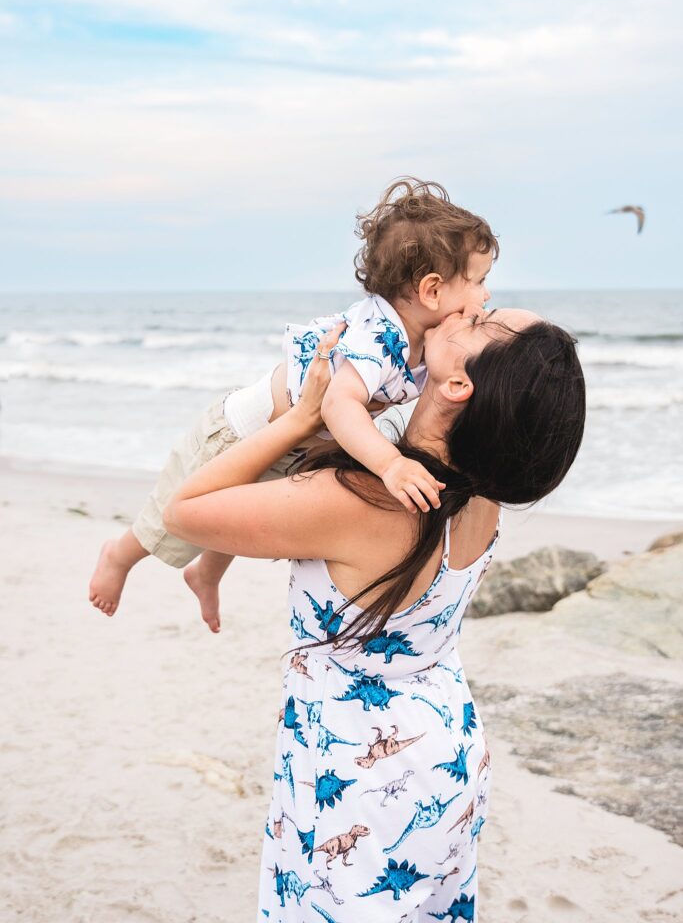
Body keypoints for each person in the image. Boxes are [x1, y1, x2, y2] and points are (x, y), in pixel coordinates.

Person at [162, 305, 586, 922]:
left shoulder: (359, 504)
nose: (463, 305)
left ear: (459, 386)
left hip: (360, 775)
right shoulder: (482, 491)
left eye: (480, 319)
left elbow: (184, 509)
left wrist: (301, 419)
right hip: (446, 753)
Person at [89, 178, 498, 632]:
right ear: (432, 291)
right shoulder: (379, 339)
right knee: (170, 526)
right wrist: (390, 465)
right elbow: (340, 406)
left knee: (242, 515)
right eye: (479, 281)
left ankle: (205, 573)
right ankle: (121, 554)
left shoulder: (425, 340)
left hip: (293, 446)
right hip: (240, 435)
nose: (486, 296)